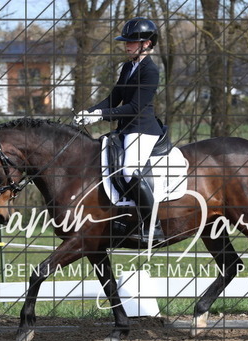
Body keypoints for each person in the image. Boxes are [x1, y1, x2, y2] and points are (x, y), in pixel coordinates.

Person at [74, 17, 164, 244]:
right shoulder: (127, 67)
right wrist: (90, 112)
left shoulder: (151, 71)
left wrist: (101, 116)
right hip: (126, 129)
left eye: (131, 42)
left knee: (129, 170)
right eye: (126, 42)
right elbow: (114, 98)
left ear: (146, 44)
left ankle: (153, 225)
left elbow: (134, 107)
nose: (126, 45)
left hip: (142, 129)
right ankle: (121, 216)